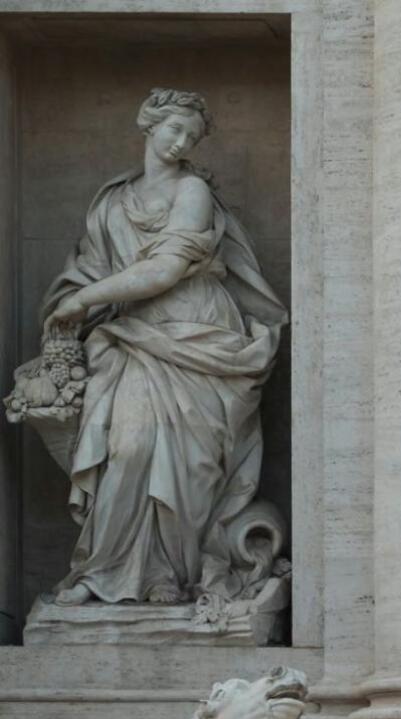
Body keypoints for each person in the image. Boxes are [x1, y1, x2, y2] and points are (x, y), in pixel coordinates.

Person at [30, 88, 286, 608]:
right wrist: (78, 299)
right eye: (174, 129)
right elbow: (94, 265)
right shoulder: (112, 201)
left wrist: (83, 300)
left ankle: (169, 575)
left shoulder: (192, 191)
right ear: (148, 124)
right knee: (127, 448)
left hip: (196, 331)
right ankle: (104, 571)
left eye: (192, 136)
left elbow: (165, 269)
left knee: (188, 464)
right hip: (132, 337)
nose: (182, 142)